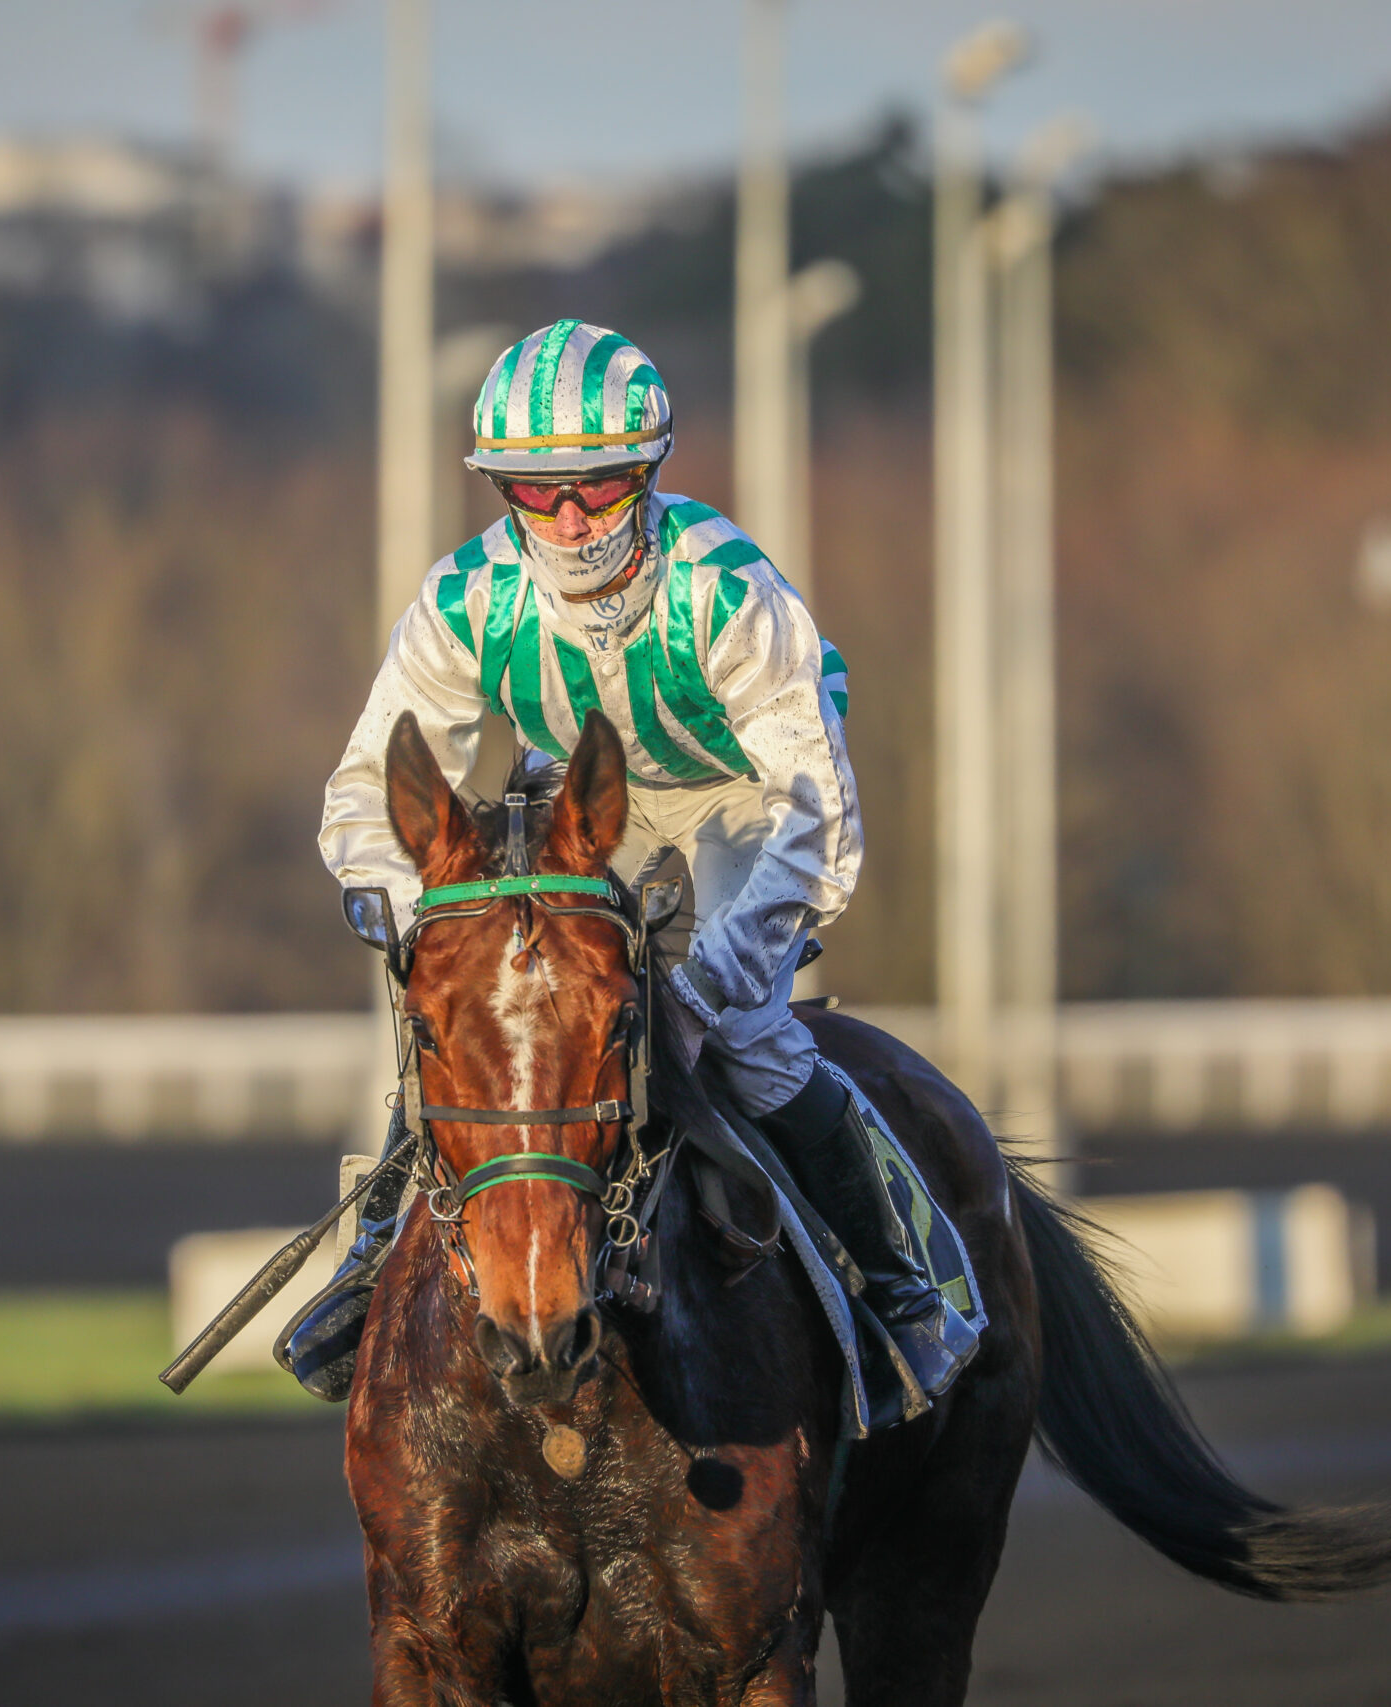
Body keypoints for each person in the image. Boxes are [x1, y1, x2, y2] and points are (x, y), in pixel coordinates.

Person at [282, 320, 979, 1415]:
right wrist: (427, 925)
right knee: (486, 1022)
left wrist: (708, 987)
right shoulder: (462, 600)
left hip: (749, 803)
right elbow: (367, 791)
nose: (565, 518)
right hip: (588, 814)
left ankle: (912, 1285)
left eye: (599, 488)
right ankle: (372, 1266)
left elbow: (815, 808)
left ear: (648, 470)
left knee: (743, 1038)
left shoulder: (726, 585)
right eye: (531, 488)